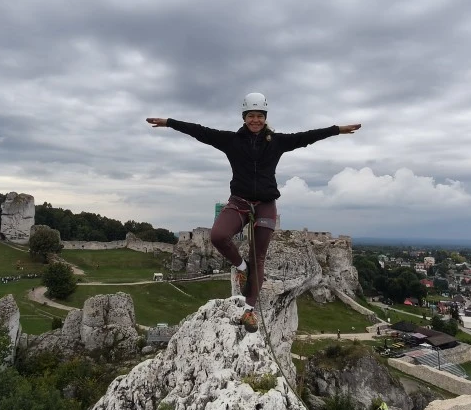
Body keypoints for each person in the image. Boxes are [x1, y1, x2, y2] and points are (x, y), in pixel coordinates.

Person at [146, 92, 361, 332]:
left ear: (265, 117)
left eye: (259, 116)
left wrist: (337, 130)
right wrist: (169, 122)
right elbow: (200, 131)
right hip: (239, 201)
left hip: (266, 204)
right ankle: (242, 268)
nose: (255, 120)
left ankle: (249, 311)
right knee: (218, 236)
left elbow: (307, 137)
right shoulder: (231, 141)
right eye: (251, 116)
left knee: (258, 256)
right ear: (244, 117)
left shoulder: (276, 142)